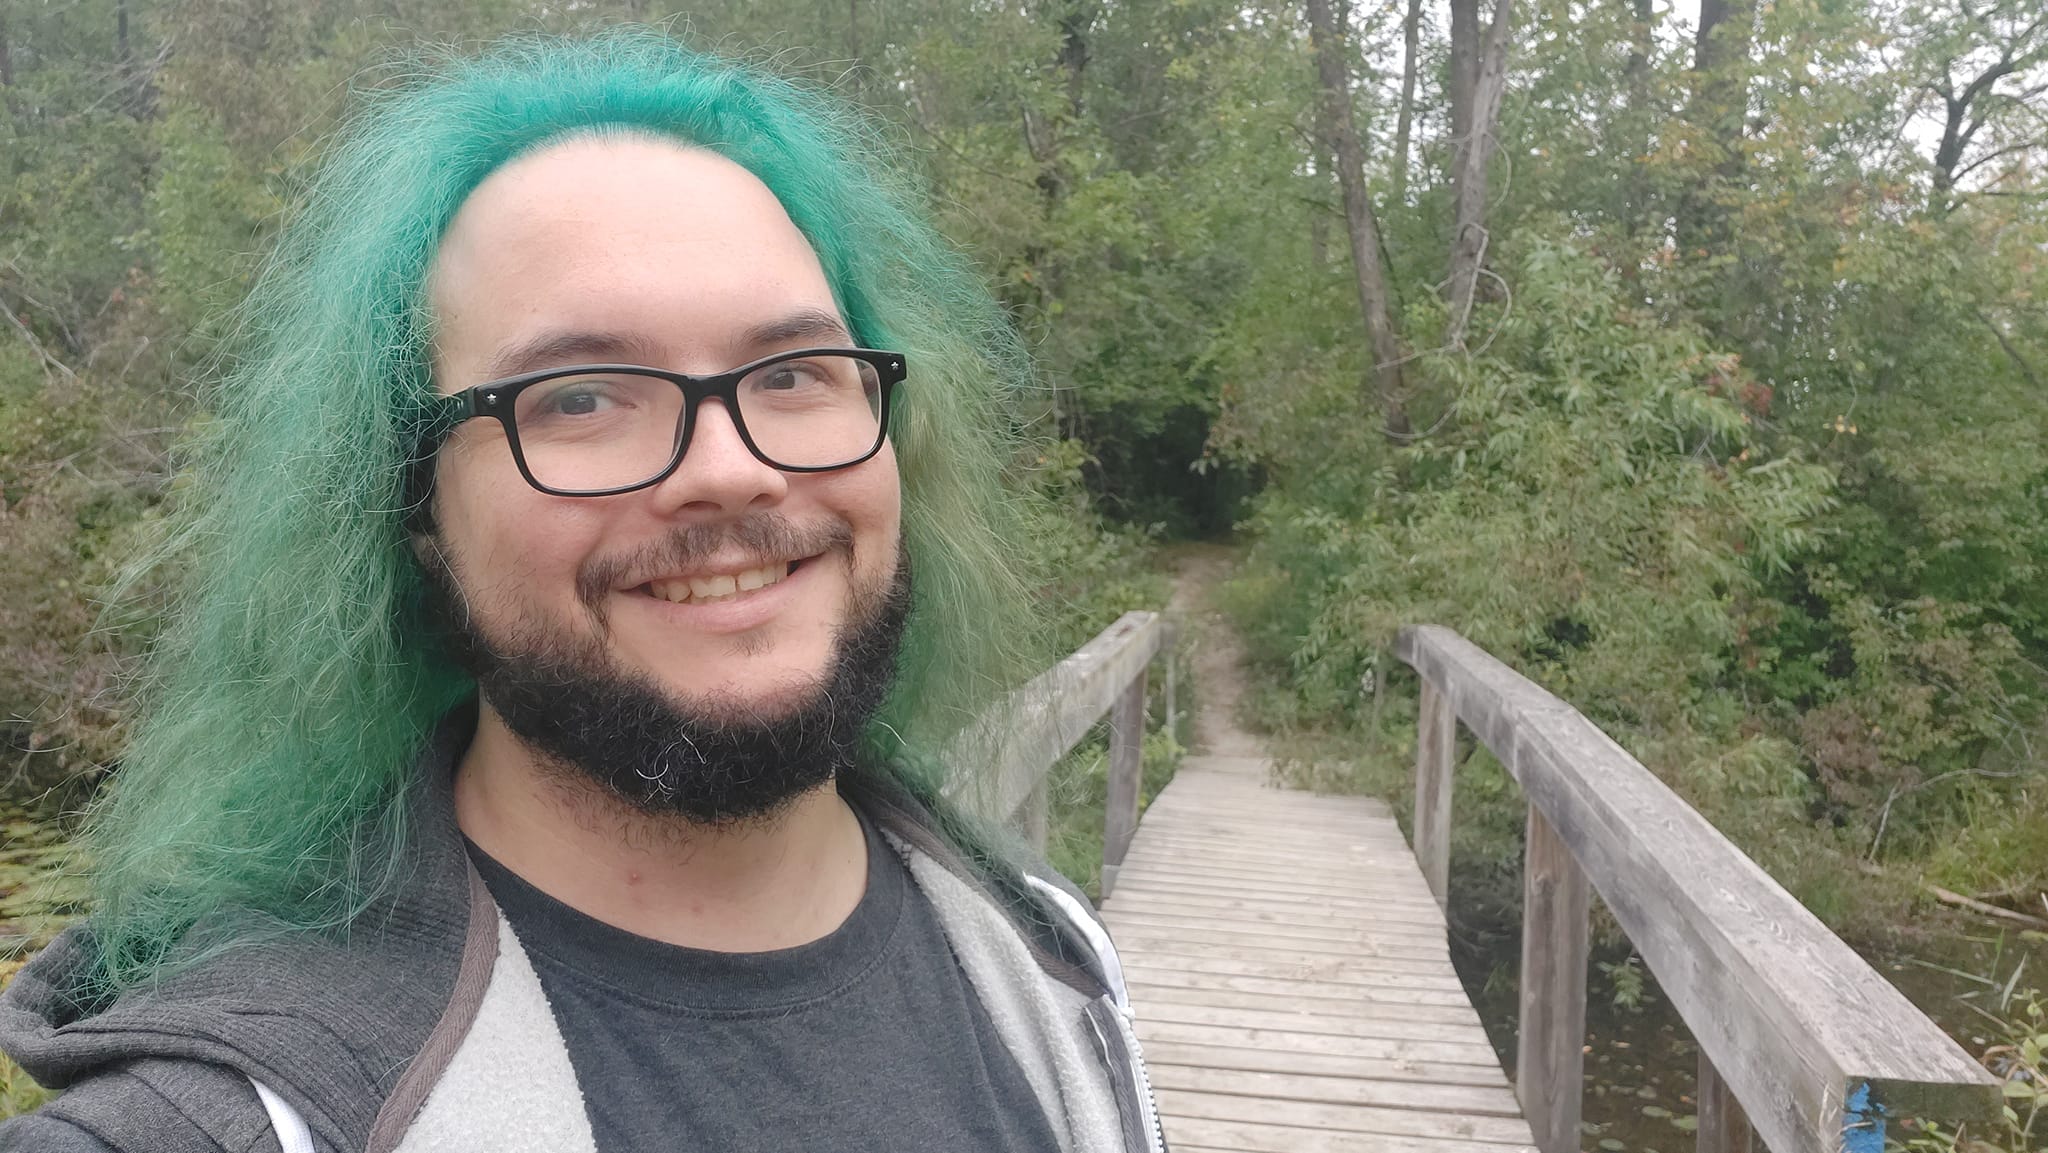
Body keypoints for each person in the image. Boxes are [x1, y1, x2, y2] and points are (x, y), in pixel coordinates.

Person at [0, 30, 1163, 1153]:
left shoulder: (1048, 957)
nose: (729, 469)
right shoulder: (237, 1115)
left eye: (798, 371)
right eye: (580, 398)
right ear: (414, 517)